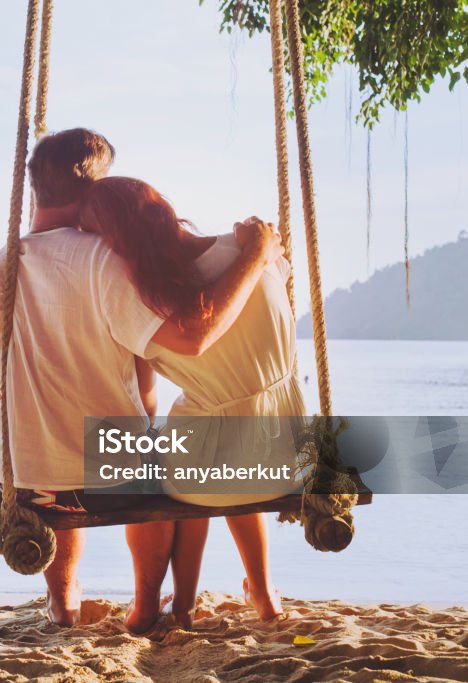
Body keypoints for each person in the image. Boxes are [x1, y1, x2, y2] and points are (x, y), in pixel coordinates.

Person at [0, 128, 283, 629]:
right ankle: (148, 602)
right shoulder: (109, 265)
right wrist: (256, 255)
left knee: (66, 455)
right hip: (117, 473)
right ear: (94, 185)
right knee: (161, 460)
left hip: (28, 478)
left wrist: (44, 417)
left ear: (35, 188)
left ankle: (64, 600)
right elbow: (173, 350)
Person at [79, 176, 306, 623]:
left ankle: (178, 605)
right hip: (293, 448)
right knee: (224, 438)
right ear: (163, 207)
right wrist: (258, 250)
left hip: (215, 468)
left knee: (177, 453)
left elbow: (145, 404)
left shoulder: (146, 305)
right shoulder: (257, 251)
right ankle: (262, 592)